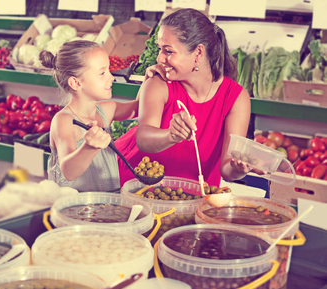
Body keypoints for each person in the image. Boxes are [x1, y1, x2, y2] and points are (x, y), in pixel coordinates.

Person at [116, 8, 252, 187]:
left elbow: (226, 169)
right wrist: (171, 135)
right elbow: (143, 139)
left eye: (168, 51)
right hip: (136, 184)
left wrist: (239, 169)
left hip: (192, 196)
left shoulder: (236, 98)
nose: (160, 58)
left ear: (198, 53)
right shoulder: (159, 83)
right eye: (160, 49)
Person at [40, 40, 138, 192]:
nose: (111, 77)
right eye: (102, 73)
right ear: (76, 83)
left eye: (109, 70)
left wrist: (153, 78)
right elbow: (69, 171)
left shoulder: (105, 111)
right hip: (73, 211)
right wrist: (89, 147)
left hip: (105, 207)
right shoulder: (64, 121)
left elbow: (140, 107)